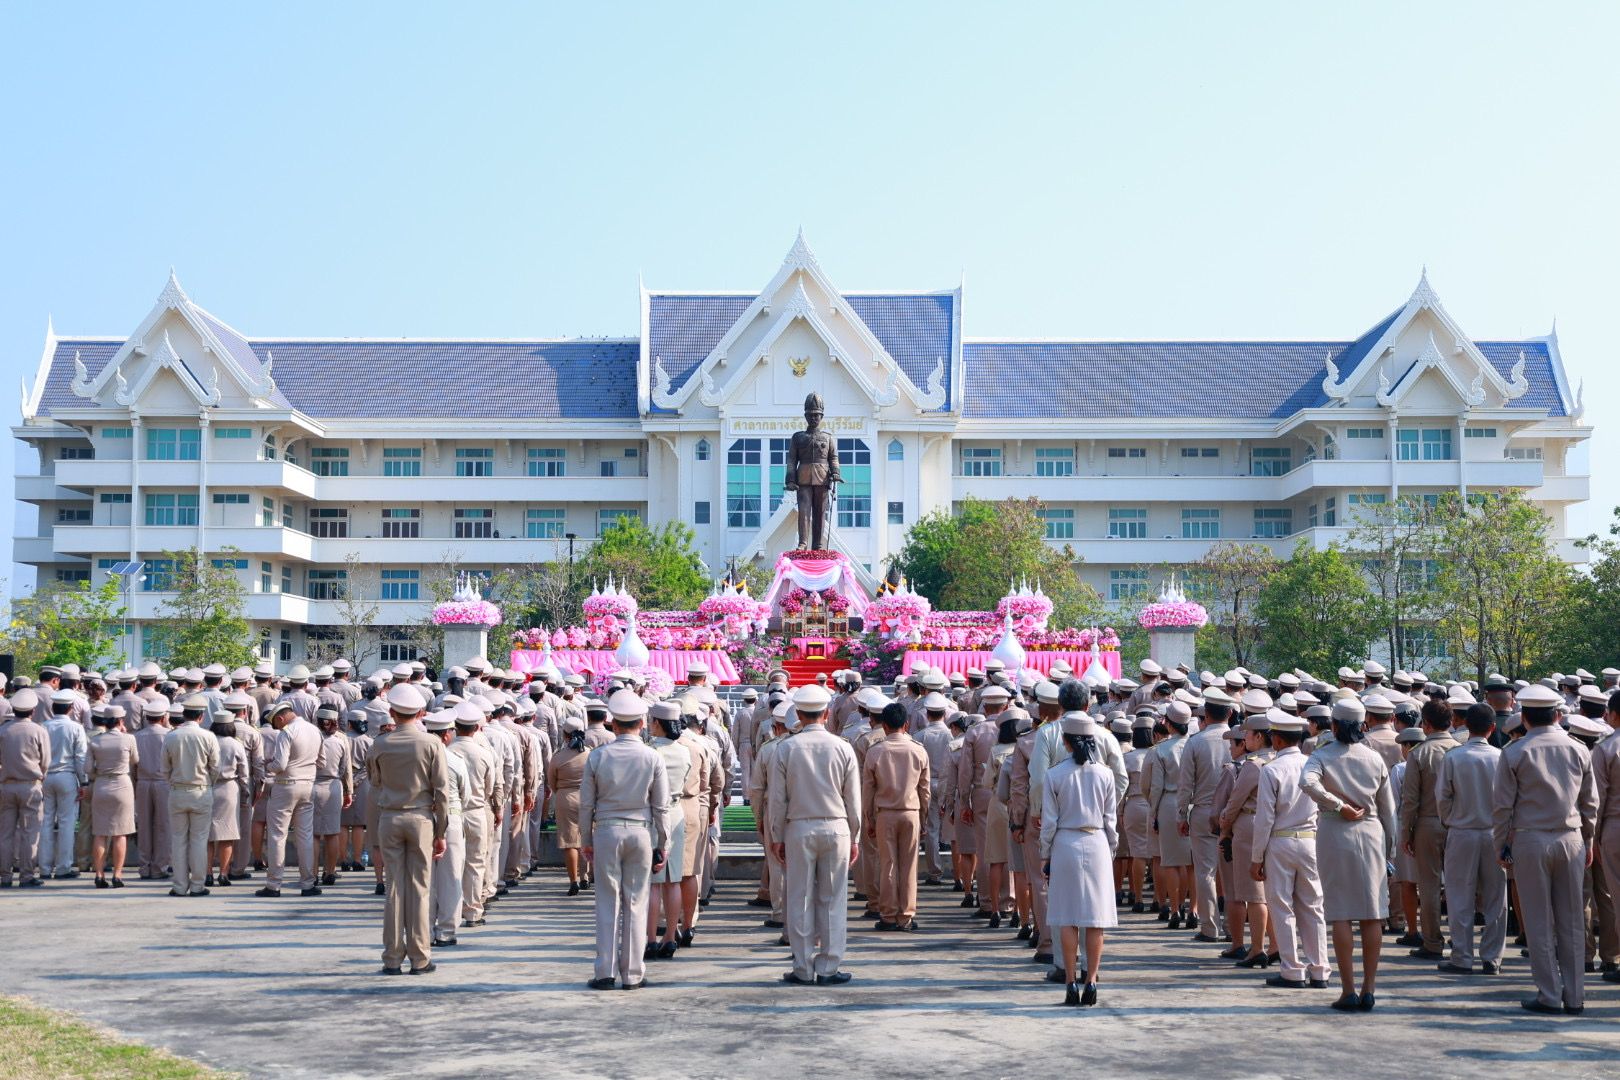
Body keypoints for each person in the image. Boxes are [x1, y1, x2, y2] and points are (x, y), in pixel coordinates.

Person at [1495, 683, 1600, 1014]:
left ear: (1524, 718)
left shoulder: (1515, 752)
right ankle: (1575, 996)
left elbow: (1502, 807)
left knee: (1538, 921)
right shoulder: (1579, 749)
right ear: (1557, 715)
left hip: (1530, 840)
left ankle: (1549, 995)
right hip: (1571, 838)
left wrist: (1501, 844)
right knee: (1572, 920)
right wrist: (1588, 840)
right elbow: (1590, 804)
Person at [1301, 697, 1397, 1011]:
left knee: (1340, 913)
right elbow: (1388, 810)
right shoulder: (1374, 758)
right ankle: (1369, 988)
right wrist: (1390, 850)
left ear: (1334, 725)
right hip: (1372, 833)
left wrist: (1337, 804)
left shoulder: (1321, 755)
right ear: (1363, 725)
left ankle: (1348, 990)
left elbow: (1307, 782)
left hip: (1335, 831)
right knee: (1372, 913)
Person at [769, 684, 861, 986]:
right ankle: (829, 966)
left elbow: (777, 799)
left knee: (800, 899)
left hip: (799, 827)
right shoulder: (842, 747)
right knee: (833, 899)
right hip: (836, 826)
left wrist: (777, 835)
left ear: (799, 714)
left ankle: (803, 967)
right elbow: (853, 799)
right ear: (827, 713)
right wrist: (855, 836)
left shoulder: (786, 748)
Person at [580, 690, 670, 991]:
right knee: (636, 901)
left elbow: (586, 804)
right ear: (642, 724)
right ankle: (632, 973)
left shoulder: (598, 756)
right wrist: (664, 843)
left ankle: (605, 971)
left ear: (613, 724)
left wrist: (586, 838)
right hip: (641, 831)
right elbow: (661, 806)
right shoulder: (652, 756)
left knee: (607, 901)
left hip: (607, 830)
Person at [368, 683, 450, 975]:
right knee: (420, 889)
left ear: (392, 712)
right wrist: (441, 832)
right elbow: (442, 791)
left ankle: (392, 957)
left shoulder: (380, 744)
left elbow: (375, 781)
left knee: (394, 888)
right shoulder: (431, 743)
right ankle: (420, 957)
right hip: (421, 817)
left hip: (390, 816)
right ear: (420, 713)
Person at [1040, 712, 1119, 1006]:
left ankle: (1071, 982)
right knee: (1095, 919)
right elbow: (1111, 821)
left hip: (1066, 842)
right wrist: (1111, 850)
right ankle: (1092, 980)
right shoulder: (1105, 774)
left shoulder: (1055, 774)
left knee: (1067, 917)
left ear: (1066, 742)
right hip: (1097, 841)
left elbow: (1049, 823)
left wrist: (1045, 854)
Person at [1251, 712, 1329, 990]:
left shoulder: (1271, 769)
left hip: (1280, 841)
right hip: (1310, 840)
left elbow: (1264, 819)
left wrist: (1256, 857)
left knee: (1282, 907)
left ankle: (1293, 970)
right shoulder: (1313, 763)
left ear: (1277, 739)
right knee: (1313, 907)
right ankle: (1320, 969)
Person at [1436, 702, 1506, 975]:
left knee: (1459, 897)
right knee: (1496, 899)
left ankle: (1462, 957)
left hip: (1462, 832)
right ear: (1492, 728)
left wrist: (1451, 820)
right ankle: (1492, 958)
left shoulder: (1454, 757)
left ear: (1465, 725)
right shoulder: (1501, 757)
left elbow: (1443, 797)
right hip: (1494, 832)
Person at [862, 701, 930, 932]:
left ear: (884, 726)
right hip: (911, 812)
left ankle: (889, 915)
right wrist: (924, 817)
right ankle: (906, 916)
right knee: (909, 866)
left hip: (885, 813)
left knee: (888, 864)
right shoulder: (918, 750)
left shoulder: (876, 751)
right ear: (906, 724)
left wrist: (869, 818)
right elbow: (925, 790)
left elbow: (868, 789)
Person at [1400, 698, 1457, 960]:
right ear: (1451, 722)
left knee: (1429, 886)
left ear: (1426, 724)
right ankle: (1460, 940)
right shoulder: (1460, 750)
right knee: (1459, 885)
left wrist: (1406, 834)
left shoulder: (1419, 753)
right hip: (1457, 824)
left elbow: (1410, 800)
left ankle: (1433, 942)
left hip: (1427, 823)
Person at [647, 702, 692, 959]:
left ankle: (651, 939)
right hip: (676, 811)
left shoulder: (652, 751)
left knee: (654, 882)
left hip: (654, 814)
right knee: (673, 880)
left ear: (657, 723)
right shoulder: (684, 751)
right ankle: (671, 937)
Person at [448, 701, 498, 930]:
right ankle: (472, 911)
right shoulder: (484, 753)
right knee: (476, 863)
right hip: (477, 810)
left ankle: (451, 910)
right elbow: (489, 787)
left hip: (452, 811)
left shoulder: (447, 752)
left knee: (451, 864)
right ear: (477, 727)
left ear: (455, 727)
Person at [426, 710, 470, 949]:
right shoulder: (454, 759)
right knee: (450, 878)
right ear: (446, 735)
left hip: (423, 817)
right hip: (451, 817)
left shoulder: (419, 757)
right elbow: (466, 795)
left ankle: (423, 929)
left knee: (425, 879)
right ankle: (446, 931)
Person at [86, 705, 137, 887]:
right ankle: (117, 874)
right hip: (122, 784)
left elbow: (87, 769)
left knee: (100, 833)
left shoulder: (95, 741)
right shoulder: (129, 738)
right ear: (121, 721)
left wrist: (100, 774)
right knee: (120, 833)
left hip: (101, 784)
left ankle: (99, 874)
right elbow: (135, 760)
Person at [41, 690, 88, 880]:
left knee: (45, 822)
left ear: (53, 708)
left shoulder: (43, 726)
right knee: (67, 823)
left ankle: (44, 868)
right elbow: (80, 757)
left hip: (45, 777)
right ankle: (63, 867)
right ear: (70, 709)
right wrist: (84, 781)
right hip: (67, 776)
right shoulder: (76, 728)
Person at [312, 708, 355, 886]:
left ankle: (312, 874)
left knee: (313, 834)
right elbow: (346, 768)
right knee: (332, 833)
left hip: (313, 784)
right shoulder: (341, 740)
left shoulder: (312, 737)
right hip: (333, 786)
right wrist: (348, 791)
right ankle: (330, 872)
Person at [131, 699, 172, 880]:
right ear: (164, 717)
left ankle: (144, 866)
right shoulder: (169, 735)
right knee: (164, 826)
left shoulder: (137, 736)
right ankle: (159, 867)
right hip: (164, 782)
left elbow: (132, 765)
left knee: (144, 826)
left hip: (142, 782)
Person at [208, 714, 249, 887]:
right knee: (227, 834)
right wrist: (246, 793)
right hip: (229, 788)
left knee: (208, 835)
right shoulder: (235, 744)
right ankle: (223, 873)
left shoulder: (207, 741)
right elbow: (244, 772)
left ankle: (207, 873)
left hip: (208, 787)